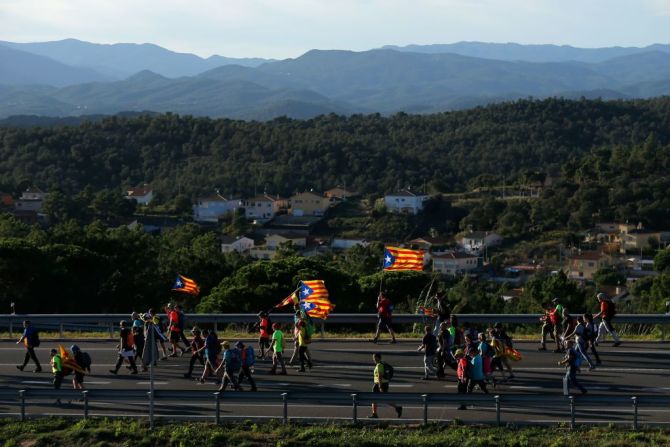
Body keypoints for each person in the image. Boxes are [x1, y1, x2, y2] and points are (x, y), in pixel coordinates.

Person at [368, 352, 402, 418]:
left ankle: (397, 407)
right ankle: (374, 414)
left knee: (384, 399)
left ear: (377, 358)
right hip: (382, 383)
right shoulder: (382, 363)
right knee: (374, 399)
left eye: (374, 358)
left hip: (380, 384)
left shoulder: (379, 365)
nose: (373, 359)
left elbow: (380, 376)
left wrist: (380, 386)